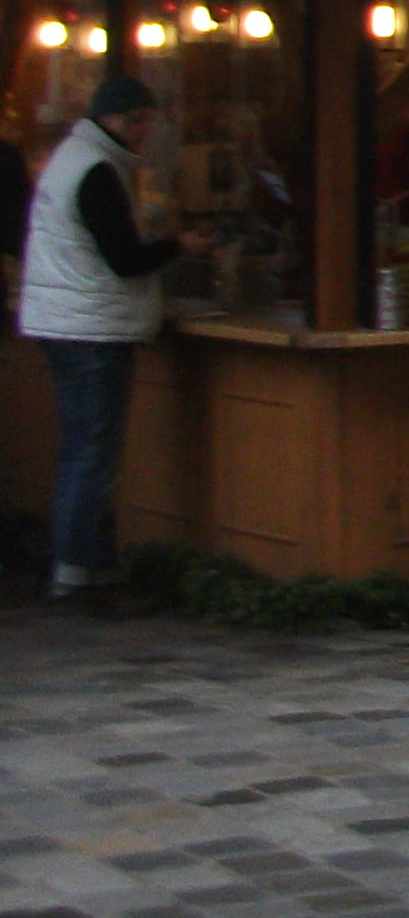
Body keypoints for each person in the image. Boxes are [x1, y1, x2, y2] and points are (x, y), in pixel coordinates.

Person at [22, 73, 211, 613]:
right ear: (124, 121)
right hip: (91, 329)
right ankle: (79, 576)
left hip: (66, 323)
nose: (149, 132)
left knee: (83, 451)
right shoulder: (97, 173)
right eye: (145, 121)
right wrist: (180, 245)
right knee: (92, 455)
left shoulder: (70, 159)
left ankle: (84, 568)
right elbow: (124, 259)